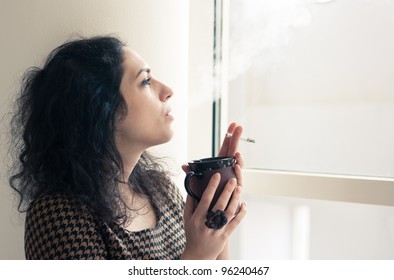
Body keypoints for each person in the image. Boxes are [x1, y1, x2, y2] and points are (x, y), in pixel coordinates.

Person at [9, 36, 247, 260]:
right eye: (145, 81)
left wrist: (216, 207)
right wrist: (197, 257)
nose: (167, 91)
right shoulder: (56, 216)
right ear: (102, 111)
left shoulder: (160, 189)